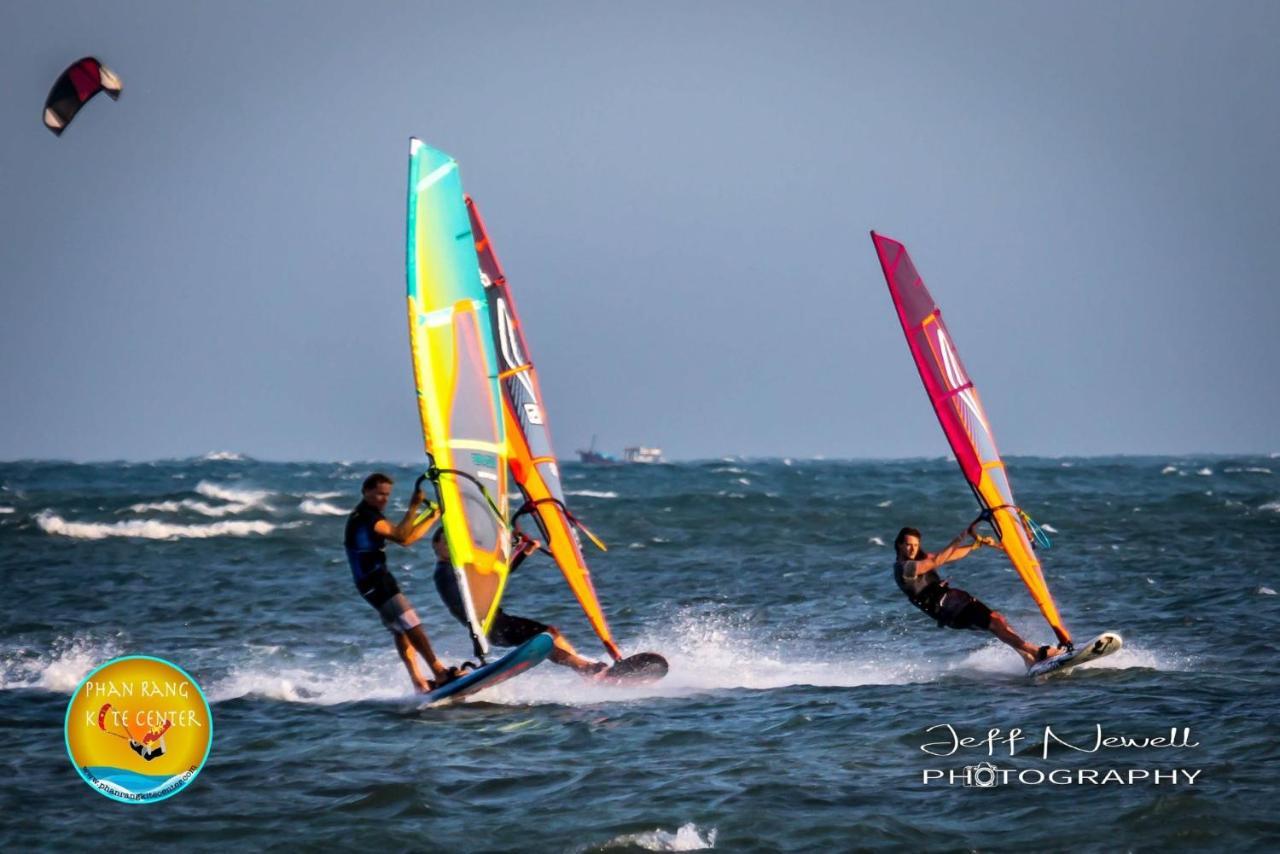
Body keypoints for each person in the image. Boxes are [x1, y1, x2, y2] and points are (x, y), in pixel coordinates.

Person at [345, 472, 466, 692]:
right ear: (365, 491)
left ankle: (418, 682)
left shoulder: (370, 515)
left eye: (387, 495)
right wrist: (413, 507)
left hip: (371, 580)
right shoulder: (366, 517)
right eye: (379, 494)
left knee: (400, 629)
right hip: (375, 580)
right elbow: (401, 535)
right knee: (410, 621)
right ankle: (439, 672)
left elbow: (407, 539)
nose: (384, 499)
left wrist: (432, 516)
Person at [432, 527, 608, 677]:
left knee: (549, 633)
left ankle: (582, 664)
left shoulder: (459, 568)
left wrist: (521, 551)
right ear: (436, 546)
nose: (451, 545)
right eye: (446, 542)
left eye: (454, 541)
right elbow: (481, 585)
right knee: (544, 637)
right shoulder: (447, 572)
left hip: (495, 622)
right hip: (490, 626)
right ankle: (585, 668)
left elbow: (495, 574)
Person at [892, 525, 1065, 668]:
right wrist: (962, 536)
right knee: (994, 623)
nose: (913, 548)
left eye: (915, 544)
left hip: (954, 604)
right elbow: (936, 560)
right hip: (950, 609)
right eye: (908, 545)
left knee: (997, 620)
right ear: (899, 545)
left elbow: (948, 556)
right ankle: (1037, 652)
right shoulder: (904, 568)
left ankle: (1028, 659)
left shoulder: (917, 558)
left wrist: (975, 545)